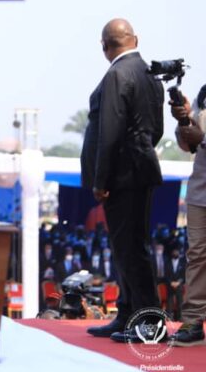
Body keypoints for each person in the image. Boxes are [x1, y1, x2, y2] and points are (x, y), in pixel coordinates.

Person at [81, 18, 164, 343]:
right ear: (135, 38)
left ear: (105, 47)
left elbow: (110, 131)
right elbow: (154, 129)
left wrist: (101, 179)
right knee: (128, 247)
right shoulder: (149, 74)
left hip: (121, 177)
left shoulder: (117, 74)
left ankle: (149, 323)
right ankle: (128, 314)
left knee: (131, 250)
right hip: (138, 170)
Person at [169, 87, 206, 345]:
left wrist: (201, 137)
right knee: (197, 255)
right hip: (200, 191)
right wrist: (183, 121)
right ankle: (193, 320)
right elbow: (188, 145)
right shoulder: (204, 94)